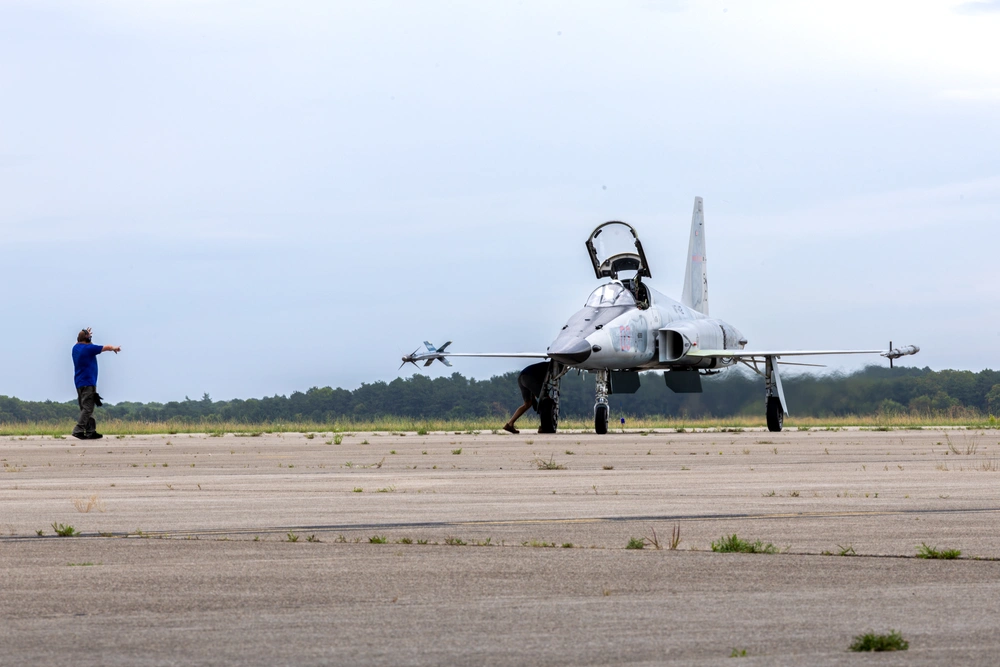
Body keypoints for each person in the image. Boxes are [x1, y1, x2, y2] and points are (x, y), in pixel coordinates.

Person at [72, 328, 121, 440]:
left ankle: (90, 431)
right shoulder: (89, 349)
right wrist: (114, 348)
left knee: (86, 407)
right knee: (88, 408)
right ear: (88, 339)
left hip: (79, 382)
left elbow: (79, 342)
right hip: (88, 382)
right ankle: (78, 430)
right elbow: (106, 347)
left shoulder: (75, 348)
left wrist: (85, 335)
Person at [502, 362, 549, 434]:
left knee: (527, 404)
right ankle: (544, 427)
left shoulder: (543, 366)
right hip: (529, 378)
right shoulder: (550, 368)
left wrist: (533, 397)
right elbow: (539, 382)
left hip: (522, 377)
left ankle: (510, 424)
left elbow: (536, 381)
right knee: (546, 400)